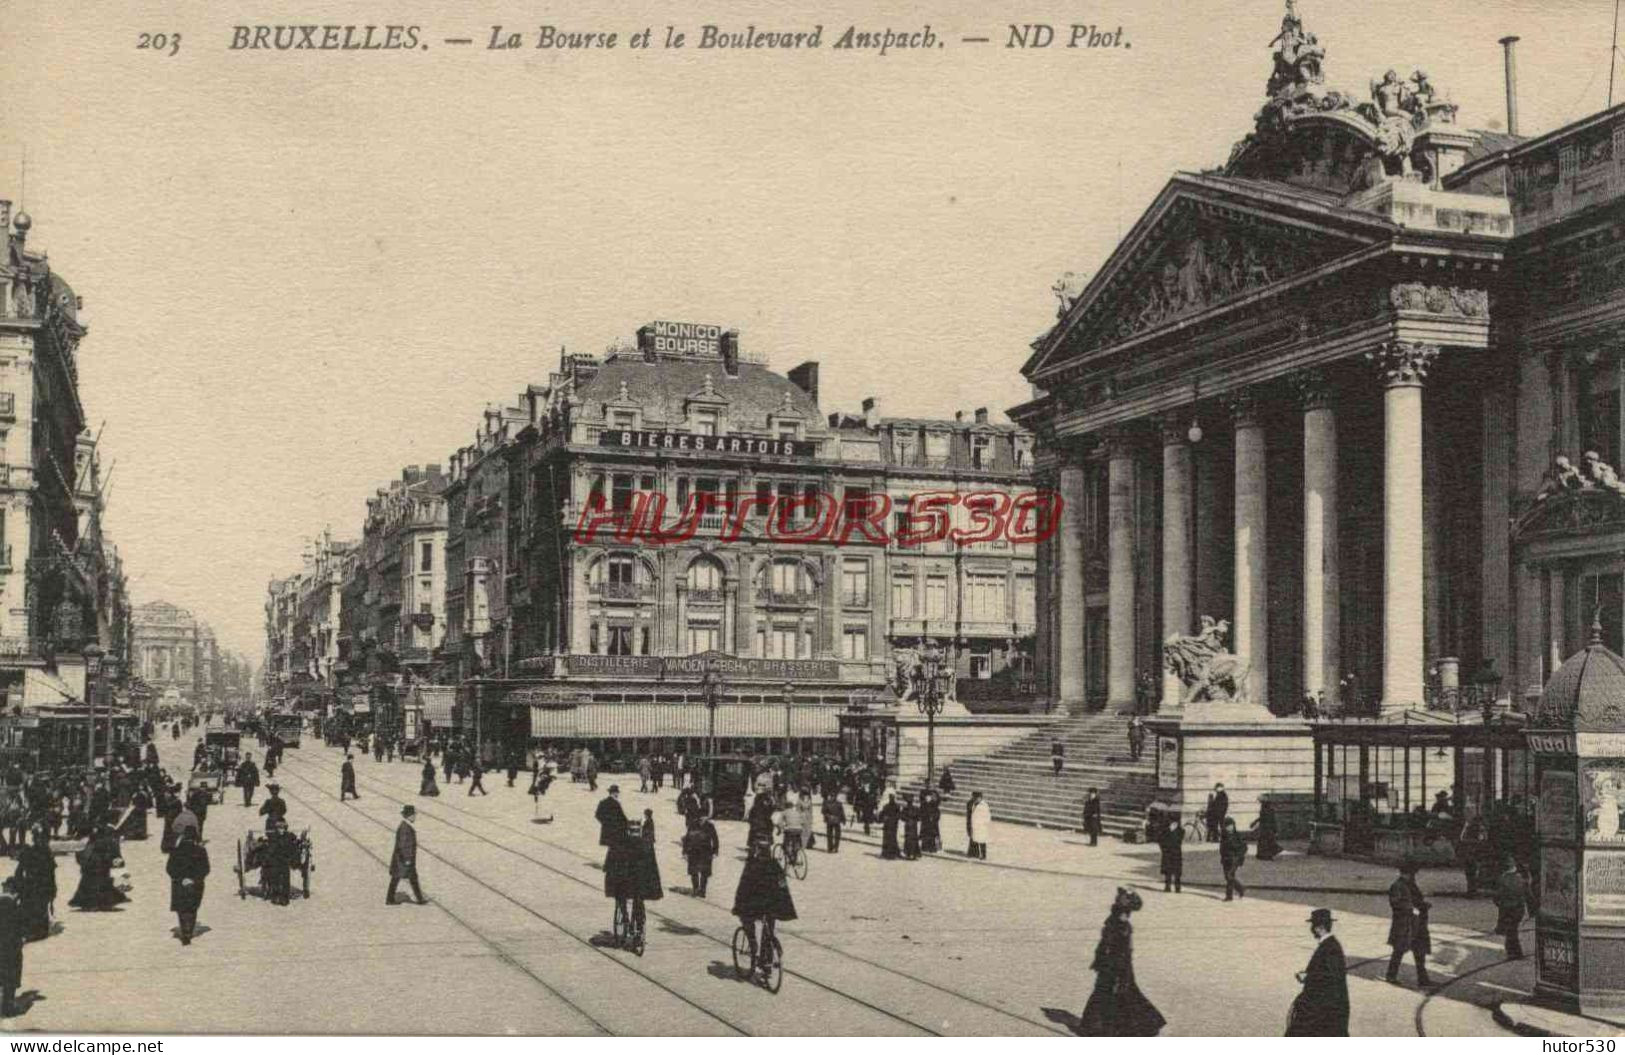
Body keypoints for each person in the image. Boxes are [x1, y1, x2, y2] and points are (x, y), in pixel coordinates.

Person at [1075, 887, 1165, 1036]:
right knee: (1116, 992)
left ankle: (1101, 1027)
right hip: (1116, 963)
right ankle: (1105, 1027)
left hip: (1115, 963)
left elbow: (1111, 944)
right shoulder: (1118, 922)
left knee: (1112, 992)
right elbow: (1111, 945)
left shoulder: (1117, 920)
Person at [732, 833, 797, 982]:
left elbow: (744, 886)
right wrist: (783, 904)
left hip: (755, 905)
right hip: (772, 905)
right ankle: (766, 964)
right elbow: (782, 885)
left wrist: (738, 905)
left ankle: (753, 943)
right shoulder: (775, 864)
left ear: (756, 849)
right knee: (769, 930)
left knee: (747, 920)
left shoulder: (752, 864)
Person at [1286, 909, 1349, 1036]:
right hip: (1325, 1005)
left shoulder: (1330, 947)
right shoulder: (1330, 945)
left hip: (1324, 1006)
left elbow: (1331, 977)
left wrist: (1308, 977)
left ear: (1319, 928)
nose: (1311, 930)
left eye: (1312, 926)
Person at [1385, 859, 1433, 987]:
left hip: (1417, 923)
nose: (1413, 876)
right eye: (1412, 873)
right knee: (1399, 951)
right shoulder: (1397, 886)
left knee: (1420, 952)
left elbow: (1417, 899)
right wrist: (1412, 908)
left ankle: (1423, 979)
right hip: (1404, 924)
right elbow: (1395, 903)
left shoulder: (1411, 884)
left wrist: (1423, 905)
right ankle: (1391, 976)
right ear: (1407, 873)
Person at [68, 824, 128, 911]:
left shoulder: (93, 840)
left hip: (93, 866)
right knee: (103, 884)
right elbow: (115, 854)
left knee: (91, 884)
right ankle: (102, 903)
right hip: (100, 866)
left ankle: (91, 903)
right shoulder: (109, 840)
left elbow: (83, 853)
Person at [167, 826, 209, 945]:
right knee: (192, 907)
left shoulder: (175, 851)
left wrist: (180, 878)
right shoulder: (201, 850)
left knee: (182, 908)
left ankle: (184, 930)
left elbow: (169, 868)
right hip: (195, 884)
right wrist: (194, 879)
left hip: (179, 883)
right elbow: (206, 868)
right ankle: (188, 931)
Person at [13, 827, 55, 942]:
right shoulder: (34, 852)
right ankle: (34, 930)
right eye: (37, 838)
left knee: (37, 907)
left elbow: (51, 872)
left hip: (38, 884)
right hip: (34, 884)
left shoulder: (44, 852)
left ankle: (37, 931)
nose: (40, 840)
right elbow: (20, 869)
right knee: (33, 907)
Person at [387, 805, 426, 905]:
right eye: (413, 815)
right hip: (404, 859)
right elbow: (404, 845)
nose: (414, 817)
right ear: (409, 816)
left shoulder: (405, 826)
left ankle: (419, 899)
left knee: (409, 878)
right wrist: (408, 859)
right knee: (398, 878)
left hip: (402, 859)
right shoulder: (405, 828)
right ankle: (390, 899)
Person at [1493, 855, 1528, 960]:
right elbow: (1527, 894)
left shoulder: (1502, 879)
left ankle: (1514, 953)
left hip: (1507, 909)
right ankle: (1515, 952)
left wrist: (1499, 902)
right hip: (1518, 909)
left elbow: (1497, 896)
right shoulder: (1520, 879)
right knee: (1513, 930)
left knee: (1511, 932)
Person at [259, 820, 295, 905]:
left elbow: (292, 849)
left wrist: (290, 858)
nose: (281, 830)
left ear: (285, 829)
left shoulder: (288, 837)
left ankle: (285, 898)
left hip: (285, 861)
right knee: (275, 879)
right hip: (276, 861)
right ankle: (275, 897)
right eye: (279, 828)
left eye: (282, 828)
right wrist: (267, 858)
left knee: (286, 880)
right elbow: (271, 849)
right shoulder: (274, 837)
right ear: (277, 829)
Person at [683, 814, 719, 897]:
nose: (701, 819)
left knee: (704, 873)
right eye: (700, 817)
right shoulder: (692, 825)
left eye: (703, 817)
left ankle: (702, 890)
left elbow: (715, 839)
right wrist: (685, 852)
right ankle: (695, 889)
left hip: (706, 852)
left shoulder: (710, 826)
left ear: (706, 818)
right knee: (693, 871)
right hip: (693, 851)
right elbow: (687, 839)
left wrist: (715, 851)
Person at [0, 878, 20, 1016]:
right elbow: (19, 927)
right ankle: (8, 1007)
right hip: (10, 947)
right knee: (10, 977)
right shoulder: (13, 905)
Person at [1220, 817, 1248, 901]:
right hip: (1226, 859)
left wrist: (1239, 856)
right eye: (1227, 826)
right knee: (1227, 877)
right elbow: (1222, 848)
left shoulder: (1237, 835)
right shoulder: (1224, 836)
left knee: (1229, 876)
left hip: (1234, 859)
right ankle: (1238, 890)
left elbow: (1244, 847)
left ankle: (1232, 894)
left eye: (1231, 825)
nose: (1229, 827)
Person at [1158, 816, 1184, 893]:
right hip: (1168, 852)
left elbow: (1180, 840)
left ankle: (1177, 887)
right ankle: (1168, 886)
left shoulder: (1180, 830)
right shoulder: (1165, 830)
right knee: (1168, 870)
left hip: (1176, 852)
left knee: (1177, 871)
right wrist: (1163, 848)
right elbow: (1161, 840)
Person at [968, 791, 992, 860]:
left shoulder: (984, 805)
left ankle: (983, 855)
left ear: (980, 798)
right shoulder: (974, 804)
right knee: (976, 839)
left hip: (982, 825)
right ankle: (975, 853)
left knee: (982, 841)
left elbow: (987, 816)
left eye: (976, 798)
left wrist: (984, 823)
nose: (975, 799)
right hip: (975, 825)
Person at [879, 790, 901, 859]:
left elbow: (898, 815)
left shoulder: (897, 807)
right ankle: (886, 853)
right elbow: (882, 814)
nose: (891, 799)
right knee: (887, 839)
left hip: (892, 825)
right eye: (890, 798)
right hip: (888, 825)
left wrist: (892, 819)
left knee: (892, 839)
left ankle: (893, 853)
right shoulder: (886, 806)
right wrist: (884, 818)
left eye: (892, 798)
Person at [919, 788, 941, 853]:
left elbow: (937, 809)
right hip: (926, 819)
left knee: (932, 834)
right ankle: (925, 846)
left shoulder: (935, 805)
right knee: (926, 833)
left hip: (933, 820)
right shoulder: (925, 802)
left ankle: (932, 847)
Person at [902, 793, 921, 859]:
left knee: (911, 839)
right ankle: (911, 853)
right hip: (911, 825)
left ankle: (911, 853)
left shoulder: (912, 809)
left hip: (911, 825)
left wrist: (908, 820)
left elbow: (902, 817)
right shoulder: (912, 809)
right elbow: (919, 818)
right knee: (911, 839)